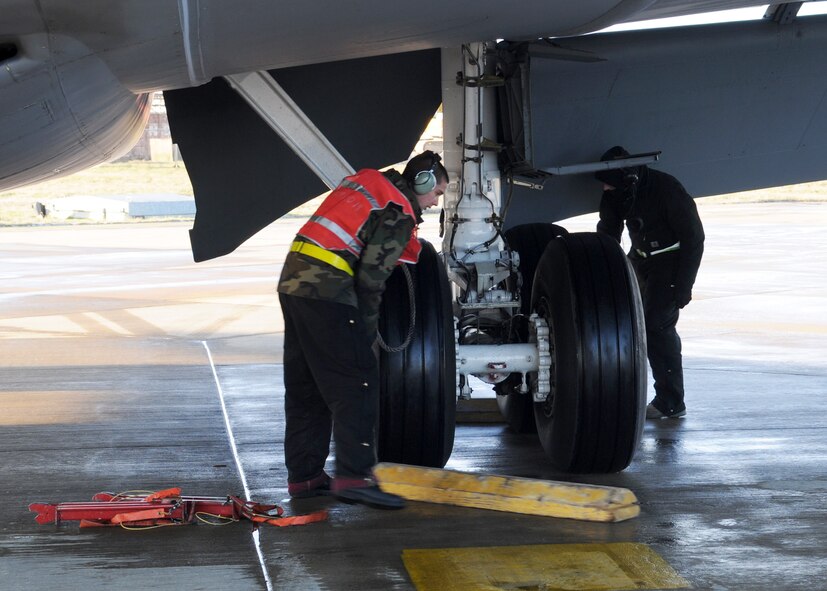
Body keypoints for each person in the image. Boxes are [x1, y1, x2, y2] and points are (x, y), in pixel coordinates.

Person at [277, 151, 448, 508]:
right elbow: (371, 281)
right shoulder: (397, 213)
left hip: (295, 284)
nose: (436, 201)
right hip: (327, 290)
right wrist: (365, 335)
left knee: (307, 387)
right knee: (357, 383)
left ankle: (305, 477)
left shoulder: (370, 184)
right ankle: (354, 477)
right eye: (437, 192)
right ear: (423, 183)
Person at [594, 146, 704, 419]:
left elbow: (694, 238)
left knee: (657, 327)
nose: (606, 187)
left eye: (610, 183)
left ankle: (671, 402)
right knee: (632, 327)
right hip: (639, 261)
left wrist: (684, 285)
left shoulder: (666, 189)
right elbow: (609, 232)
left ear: (628, 179)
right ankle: (642, 395)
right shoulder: (617, 192)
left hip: (670, 263)